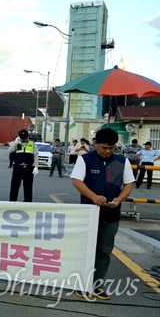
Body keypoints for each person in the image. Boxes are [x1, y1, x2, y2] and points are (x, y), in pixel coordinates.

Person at [70, 128, 134, 300]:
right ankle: (82, 283)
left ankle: (97, 284)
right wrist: (94, 197)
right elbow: (76, 181)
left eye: (111, 148)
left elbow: (128, 184)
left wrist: (119, 199)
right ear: (95, 143)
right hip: (89, 214)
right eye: (104, 147)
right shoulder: (85, 159)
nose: (108, 151)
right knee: (86, 249)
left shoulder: (122, 161)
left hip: (111, 215)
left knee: (104, 250)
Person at [8, 129, 38, 202]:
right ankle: (12, 202)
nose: (23, 139)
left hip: (28, 168)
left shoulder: (33, 144)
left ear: (28, 136)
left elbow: (36, 156)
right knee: (14, 187)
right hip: (18, 168)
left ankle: (27, 203)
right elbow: (10, 150)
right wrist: (15, 142)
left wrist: (36, 167)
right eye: (22, 137)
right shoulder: (17, 143)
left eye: (25, 137)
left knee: (28, 187)